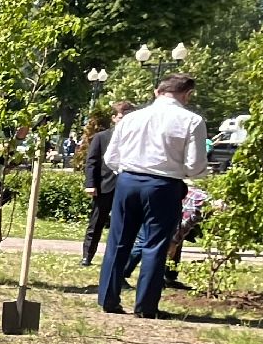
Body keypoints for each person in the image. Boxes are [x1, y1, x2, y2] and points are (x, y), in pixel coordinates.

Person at [99, 74, 208, 319]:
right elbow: (195, 165)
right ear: (187, 94)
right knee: (154, 245)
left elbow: (111, 158)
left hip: (128, 180)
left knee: (118, 241)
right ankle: (146, 306)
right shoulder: (192, 121)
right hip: (164, 185)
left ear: (157, 92)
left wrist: (127, 170)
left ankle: (108, 297)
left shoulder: (131, 118)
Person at [81, 101, 130, 266]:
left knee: (124, 224)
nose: (125, 120)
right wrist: (90, 184)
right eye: (122, 117)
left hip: (127, 186)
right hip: (104, 185)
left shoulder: (135, 138)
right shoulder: (101, 137)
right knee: (96, 222)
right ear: (114, 118)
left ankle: (116, 258)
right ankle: (87, 255)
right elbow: (92, 162)